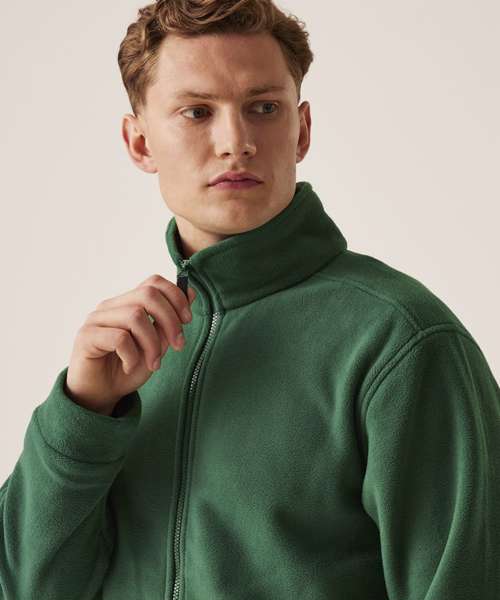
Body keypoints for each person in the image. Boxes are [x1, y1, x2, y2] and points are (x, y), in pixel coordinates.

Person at [1, 0, 498, 598]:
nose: (235, 142)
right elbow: (25, 586)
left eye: (263, 108)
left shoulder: (400, 342)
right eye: (196, 112)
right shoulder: (126, 360)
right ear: (140, 143)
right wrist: (83, 411)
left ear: (301, 130)